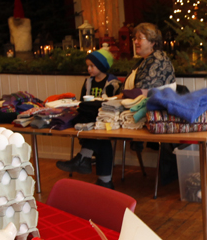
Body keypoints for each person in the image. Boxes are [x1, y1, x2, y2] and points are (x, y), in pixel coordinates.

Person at [55, 47, 123, 187]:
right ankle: (104, 180)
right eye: (88, 66)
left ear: (102, 66)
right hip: (90, 117)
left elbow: (112, 103)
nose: (89, 69)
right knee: (100, 138)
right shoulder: (88, 82)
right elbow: (82, 101)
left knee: (99, 134)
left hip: (105, 118)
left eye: (92, 66)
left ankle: (83, 157)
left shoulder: (113, 83)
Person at [125, 23, 175, 92]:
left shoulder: (158, 61)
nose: (135, 42)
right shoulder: (144, 60)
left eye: (139, 38)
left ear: (152, 42)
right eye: (135, 38)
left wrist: (120, 96)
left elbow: (141, 91)